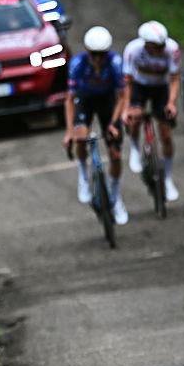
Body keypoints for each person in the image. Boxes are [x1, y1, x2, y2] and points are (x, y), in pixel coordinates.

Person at [62, 26, 128, 225]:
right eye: (94, 55)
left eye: (102, 55)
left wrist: (114, 123)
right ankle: (83, 175)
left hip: (108, 101)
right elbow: (69, 99)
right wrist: (69, 133)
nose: (98, 59)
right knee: (80, 137)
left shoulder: (115, 63)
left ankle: (116, 197)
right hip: (86, 100)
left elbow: (122, 96)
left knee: (115, 154)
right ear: (87, 52)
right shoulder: (77, 64)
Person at [120, 20, 182, 203]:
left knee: (166, 135)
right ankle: (134, 147)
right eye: (157, 47)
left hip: (160, 88)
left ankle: (167, 177)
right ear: (147, 44)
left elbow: (175, 79)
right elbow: (127, 82)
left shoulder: (172, 49)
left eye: (163, 45)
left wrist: (171, 103)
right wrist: (126, 108)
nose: (162, 49)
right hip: (139, 87)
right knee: (135, 118)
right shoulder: (133, 50)